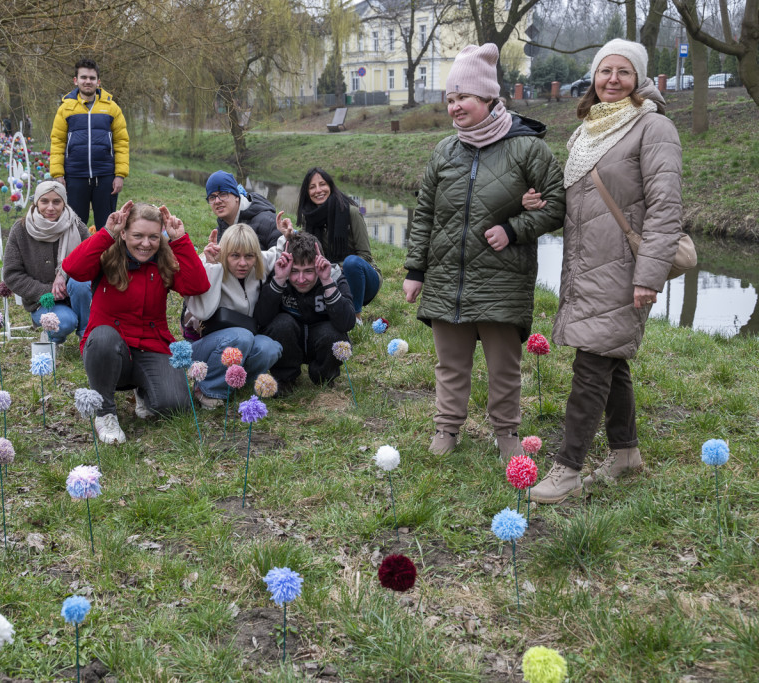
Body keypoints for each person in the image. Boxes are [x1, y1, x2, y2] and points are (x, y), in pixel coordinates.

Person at [527, 39, 682, 504]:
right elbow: (576, 204)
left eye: (624, 72)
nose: (613, 79)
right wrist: (539, 203)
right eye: (604, 71)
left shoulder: (654, 128)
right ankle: (626, 453)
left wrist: (648, 277)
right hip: (586, 266)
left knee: (591, 365)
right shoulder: (586, 131)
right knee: (608, 359)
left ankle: (567, 469)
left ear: (640, 80)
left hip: (625, 268)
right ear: (593, 77)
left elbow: (666, 209)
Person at [402, 43, 565, 459]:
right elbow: (424, 214)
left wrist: (513, 229)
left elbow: (558, 205)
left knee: (503, 367)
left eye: (464, 98)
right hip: (445, 280)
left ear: (490, 98)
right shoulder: (444, 151)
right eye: (451, 99)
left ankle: (506, 433)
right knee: (450, 364)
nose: (456, 107)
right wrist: (415, 269)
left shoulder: (529, 148)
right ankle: (447, 429)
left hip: (501, 279)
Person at [62, 201, 209, 444]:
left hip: (151, 346)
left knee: (174, 405)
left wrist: (180, 240)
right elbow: (73, 269)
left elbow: (197, 286)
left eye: (153, 237)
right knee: (102, 338)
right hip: (109, 349)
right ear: (123, 233)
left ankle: (144, 389)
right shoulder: (107, 255)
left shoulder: (163, 259)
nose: (145, 243)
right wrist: (105, 234)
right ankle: (105, 412)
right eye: (137, 235)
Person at [183, 224, 283, 408]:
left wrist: (287, 234)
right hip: (202, 347)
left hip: (238, 342)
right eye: (235, 256)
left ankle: (237, 382)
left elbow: (277, 253)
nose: (243, 263)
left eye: (249, 256)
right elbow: (203, 312)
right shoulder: (207, 265)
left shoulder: (257, 265)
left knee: (269, 348)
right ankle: (207, 388)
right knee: (242, 336)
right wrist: (212, 267)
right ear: (225, 253)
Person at [255, 232, 355, 389]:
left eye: (308, 271)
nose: (301, 279)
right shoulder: (279, 273)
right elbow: (261, 319)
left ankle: (323, 377)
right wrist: (279, 280)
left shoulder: (334, 276)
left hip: (320, 338)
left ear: (318, 265)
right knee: (281, 324)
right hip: (290, 338)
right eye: (294, 271)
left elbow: (347, 323)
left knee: (335, 335)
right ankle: (285, 378)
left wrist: (327, 282)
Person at [3, 180, 92, 345]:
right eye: (44, 201)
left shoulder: (76, 226)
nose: (50, 208)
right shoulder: (21, 230)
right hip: (42, 300)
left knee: (82, 283)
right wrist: (47, 291)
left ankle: (87, 339)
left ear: (64, 203)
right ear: (36, 202)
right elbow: (12, 273)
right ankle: (55, 337)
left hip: (75, 294)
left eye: (56, 202)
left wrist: (65, 274)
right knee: (64, 322)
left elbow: (92, 258)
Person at [288, 168, 382, 324]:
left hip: (363, 278)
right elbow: (306, 251)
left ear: (330, 186)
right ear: (307, 192)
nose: (318, 190)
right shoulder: (309, 218)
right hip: (332, 279)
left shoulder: (351, 212)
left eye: (322, 184)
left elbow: (365, 256)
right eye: (312, 187)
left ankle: (355, 316)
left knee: (352, 262)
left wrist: (335, 268)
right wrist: (290, 236)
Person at [50, 58, 130, 230]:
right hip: (75, 176)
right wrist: (58, 173)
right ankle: (76, 257)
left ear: (98, 81)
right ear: (76, 80)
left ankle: (107, 258)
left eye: (92, 78)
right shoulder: (65, 108)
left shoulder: (112, 108)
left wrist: (120, 175)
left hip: (105, 176)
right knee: (74, 226)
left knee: (107, 227)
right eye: (83, 77)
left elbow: (121, 142)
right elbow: (57, 141)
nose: (88, 81)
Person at [205, 170, 281, 249]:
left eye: (223, 194)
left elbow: (285, 258)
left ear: (236, 196)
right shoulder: (220, 228)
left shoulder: (268, 222)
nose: (217, 201)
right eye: (212, 197)